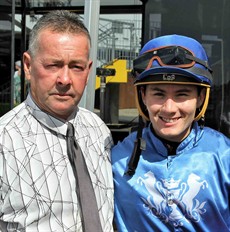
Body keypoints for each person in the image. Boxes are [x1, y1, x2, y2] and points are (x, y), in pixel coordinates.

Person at [0, 10, 114, 231]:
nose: (65, 79)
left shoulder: (99, 131)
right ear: (27, 65)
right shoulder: (4, 143)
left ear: (88, 70)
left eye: (76, 67)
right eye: (53, 65)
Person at [112, 34, 230, 231]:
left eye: (182, 94)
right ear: (143, 96)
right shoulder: (115, 160)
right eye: (158, 94)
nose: (169, 108)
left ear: (200, 98)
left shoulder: (225, 157)